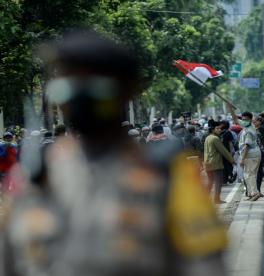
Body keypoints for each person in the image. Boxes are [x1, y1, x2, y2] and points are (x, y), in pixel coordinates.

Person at [2, 31, 227, 276]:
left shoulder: (169, 178)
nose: (79, 94)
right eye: (68, 81)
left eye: (93, 82)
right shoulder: (34, 180)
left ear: (126, 90)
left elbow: (205, 266)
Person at [229, 106, 261, 200]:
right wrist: (230, 107)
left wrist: (242, 159)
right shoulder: (246, 126)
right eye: (243, 119)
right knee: (250, 174)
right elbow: (235, 119)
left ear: (251, 120)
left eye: (246, 119)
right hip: (251, 155)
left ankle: (255, 193)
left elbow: (247, 146)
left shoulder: (249, 130)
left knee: (249, 175)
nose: (244, 121)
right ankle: (252, 193)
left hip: (250, 155)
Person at [203, 120, 235, 204]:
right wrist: (231, 160)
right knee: (218, 182)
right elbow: (223, 151)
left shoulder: (208, 137)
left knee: (210, 182)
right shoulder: (215, 138)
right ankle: (216, 199)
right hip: (215, 163)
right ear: (213, 130)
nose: (220, 130)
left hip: (207, 163)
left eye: (219, 128)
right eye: (217, 128)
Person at [219, 120, 235, 184]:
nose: (220, 125)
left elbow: (230, 143)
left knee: (226, 165)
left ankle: (228, 177)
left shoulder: (227, 133)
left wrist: (231, 153)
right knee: (225, 166)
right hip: (223, 152)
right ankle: (226, 178)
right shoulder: (220, 132)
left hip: (226, 152)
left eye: (221, 124)